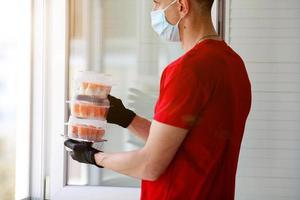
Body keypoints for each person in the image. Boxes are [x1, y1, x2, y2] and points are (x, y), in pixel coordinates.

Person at [64, 0, 252, 199]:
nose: (154, 11)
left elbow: (149, 165)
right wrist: (127, 118)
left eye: (157, 3)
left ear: (182, 6)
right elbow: (183, 145)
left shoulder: (188, 70)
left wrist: (94, 157)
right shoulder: (233, 63)